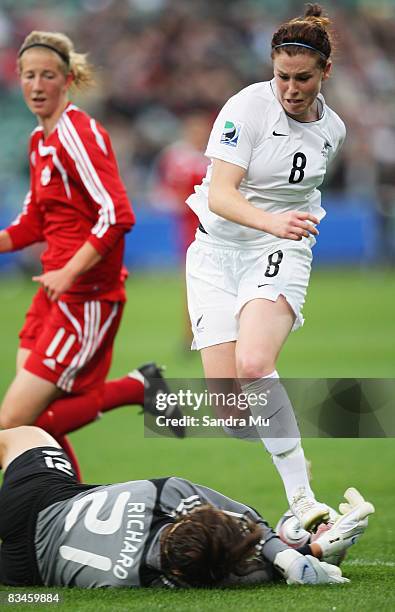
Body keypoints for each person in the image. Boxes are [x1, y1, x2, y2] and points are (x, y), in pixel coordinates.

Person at [185, 4, 346, 530]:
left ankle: (303, 500)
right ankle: (290, 443)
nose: (291, 88)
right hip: (215, 253)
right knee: (232, 416)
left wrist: (278, 230)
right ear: (271, 68)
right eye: (282, 75)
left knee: (255, 365)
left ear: (325, 72)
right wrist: (269, 221)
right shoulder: (246, 108)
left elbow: (303, 195)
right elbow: (221, 196)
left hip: (277, 251)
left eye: (303, 78)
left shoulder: (333, 131)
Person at [0, 30, 184, 480]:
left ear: (67, 79)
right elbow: (32, 225)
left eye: (47, 75)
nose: (37, 85)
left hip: (85, 299)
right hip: (53, 297)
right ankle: (71, 504)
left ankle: (134, 388)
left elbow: (117, 213)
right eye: (29, 75)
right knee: (38, 420)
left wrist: (69, 272)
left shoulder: (77, 133)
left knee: (11, 425)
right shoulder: (39, 141)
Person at [0, 426, 374, 588]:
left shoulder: (169, 493)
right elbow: (252, 564)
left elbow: (249, 522)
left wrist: (298, 551)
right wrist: (314, 551)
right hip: (29, 574)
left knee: (22, 436)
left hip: (45, 499)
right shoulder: (164, 578)